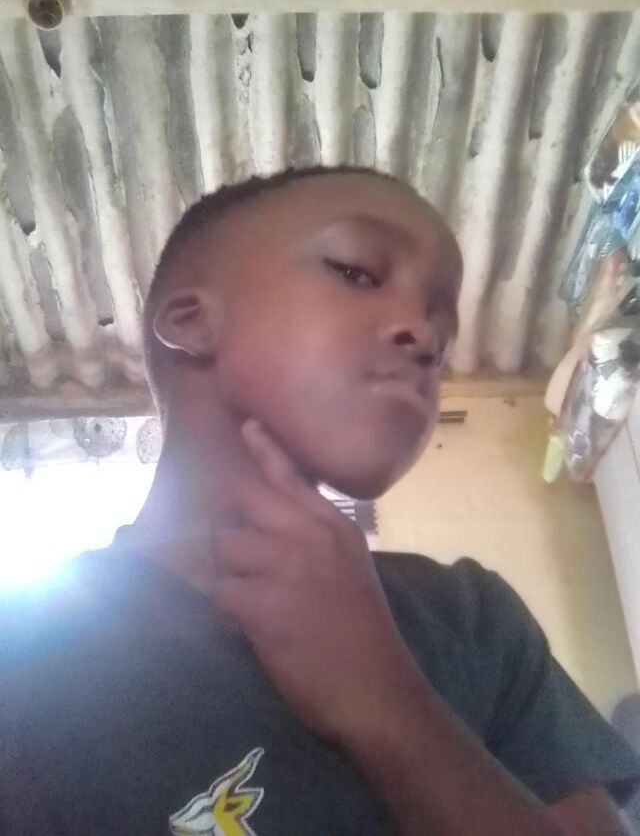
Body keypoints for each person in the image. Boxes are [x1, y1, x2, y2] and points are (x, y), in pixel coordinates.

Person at [2, 166, 639, 836]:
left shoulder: (472, 620)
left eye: (441, 325)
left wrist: (386, 702)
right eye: (358, 272)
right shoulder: (25, 663)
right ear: (191, 321)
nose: (424, 336)